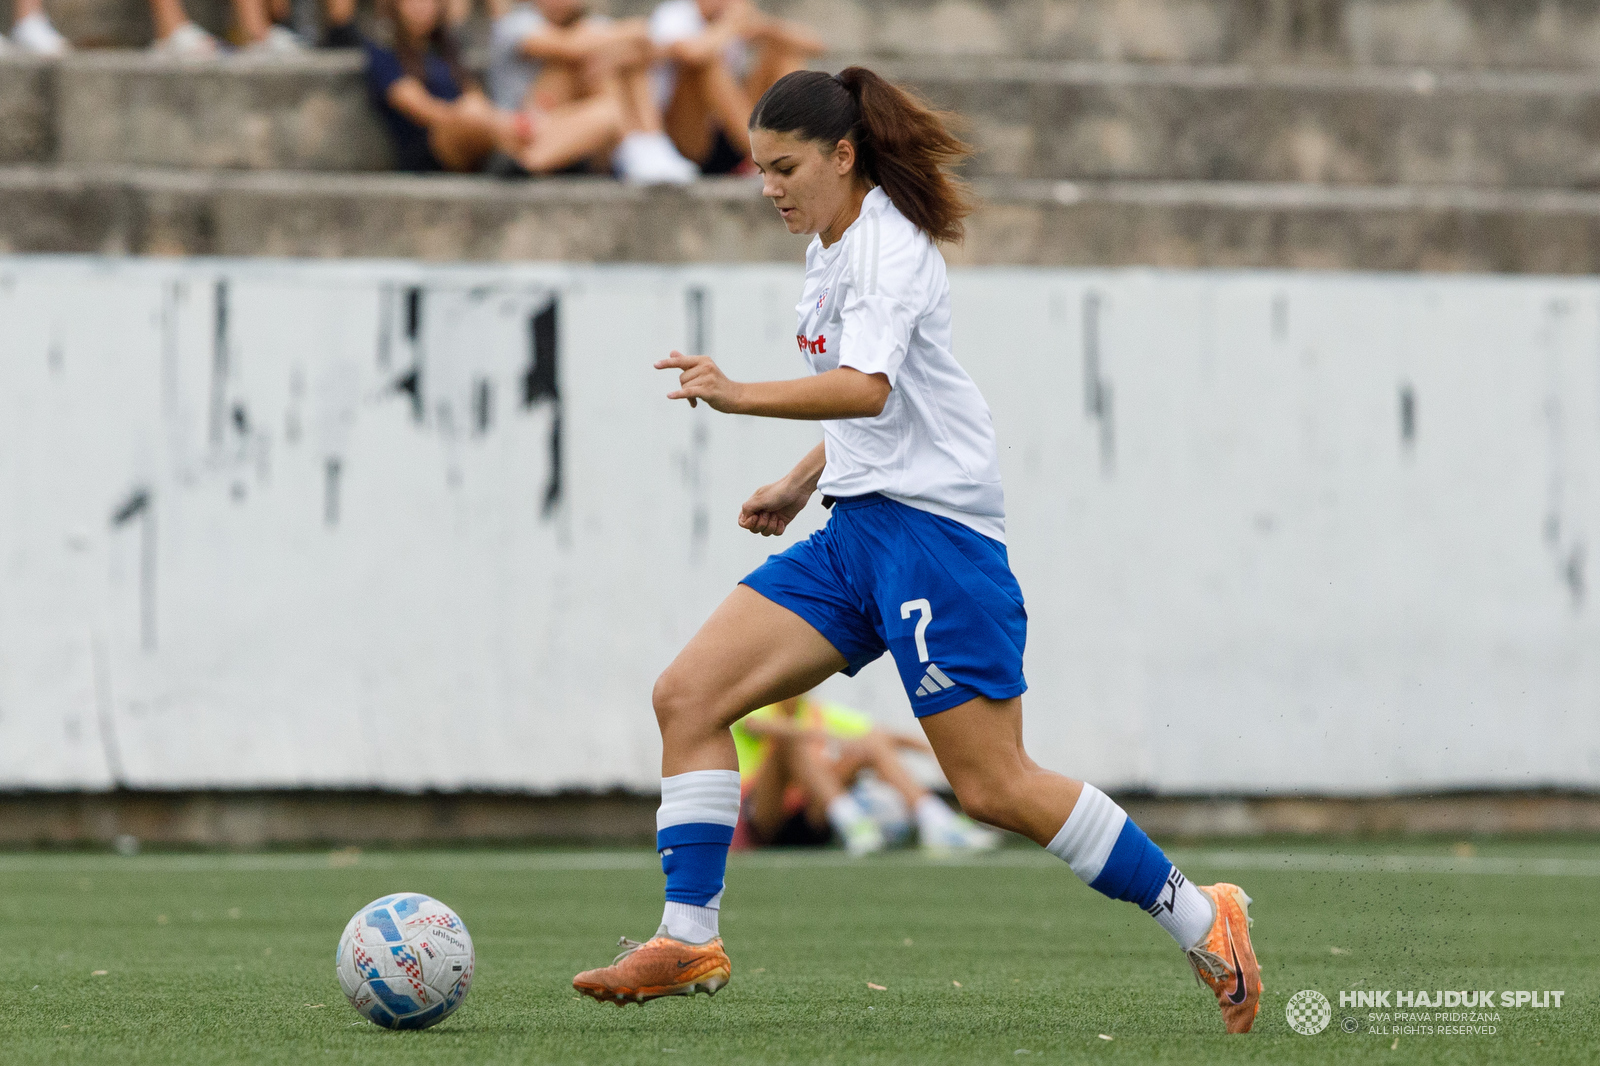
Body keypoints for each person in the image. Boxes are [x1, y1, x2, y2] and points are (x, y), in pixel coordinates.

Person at [570, 67, 1265, 1034]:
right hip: (856, 530)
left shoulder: (890, 247)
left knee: (994, 787)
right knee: (687, 697)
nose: (769, 186)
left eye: (786, 167)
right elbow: (876, 402)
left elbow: (869, 390)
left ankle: (1203, 916)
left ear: (843, 155)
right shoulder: (828, 244)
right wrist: (802, 479)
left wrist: (736, 393)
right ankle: (688, 937)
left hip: (937, 539)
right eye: (760, 170)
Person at [364, 0, 623, 176]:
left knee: (606, 114)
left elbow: (474, 95)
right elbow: (419, 108)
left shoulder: (445, 48)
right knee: (471, 111)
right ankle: (534, 143)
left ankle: (530, 158)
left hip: (485, 131)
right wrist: (488, 120)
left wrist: (495, 120)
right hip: (433, 145)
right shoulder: (383, 51)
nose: (422, 7)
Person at [732, 692, 999, 855]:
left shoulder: (817, 712)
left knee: (870, 743)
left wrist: (933, 752)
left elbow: (879, 735)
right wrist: (829, 736)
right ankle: (850, 818)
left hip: (812, 815)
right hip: (765, 817)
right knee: (789, 742)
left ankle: (933, 818)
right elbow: (759, 726)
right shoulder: (757, 706)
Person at [487, 0, 697, 182]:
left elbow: (649, 50)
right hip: (526, 129)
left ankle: (650, 141)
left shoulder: (593, 27)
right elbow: (571, 47)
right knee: (586, 68)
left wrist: (620, 47)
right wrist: (634, 29)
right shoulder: (515, 25)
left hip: (581, 132)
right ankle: (640, 146)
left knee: (615, 63)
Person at [648, 0, 822, 174]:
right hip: (689, 138)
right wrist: (730, 26)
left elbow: (816, 45)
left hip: (730, 132)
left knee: (783, 53)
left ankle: (787, 147)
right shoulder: (675, 15)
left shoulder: (728, 18)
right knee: (706, 65)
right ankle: (764, 154)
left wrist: (767, 28)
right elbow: (691, 53)